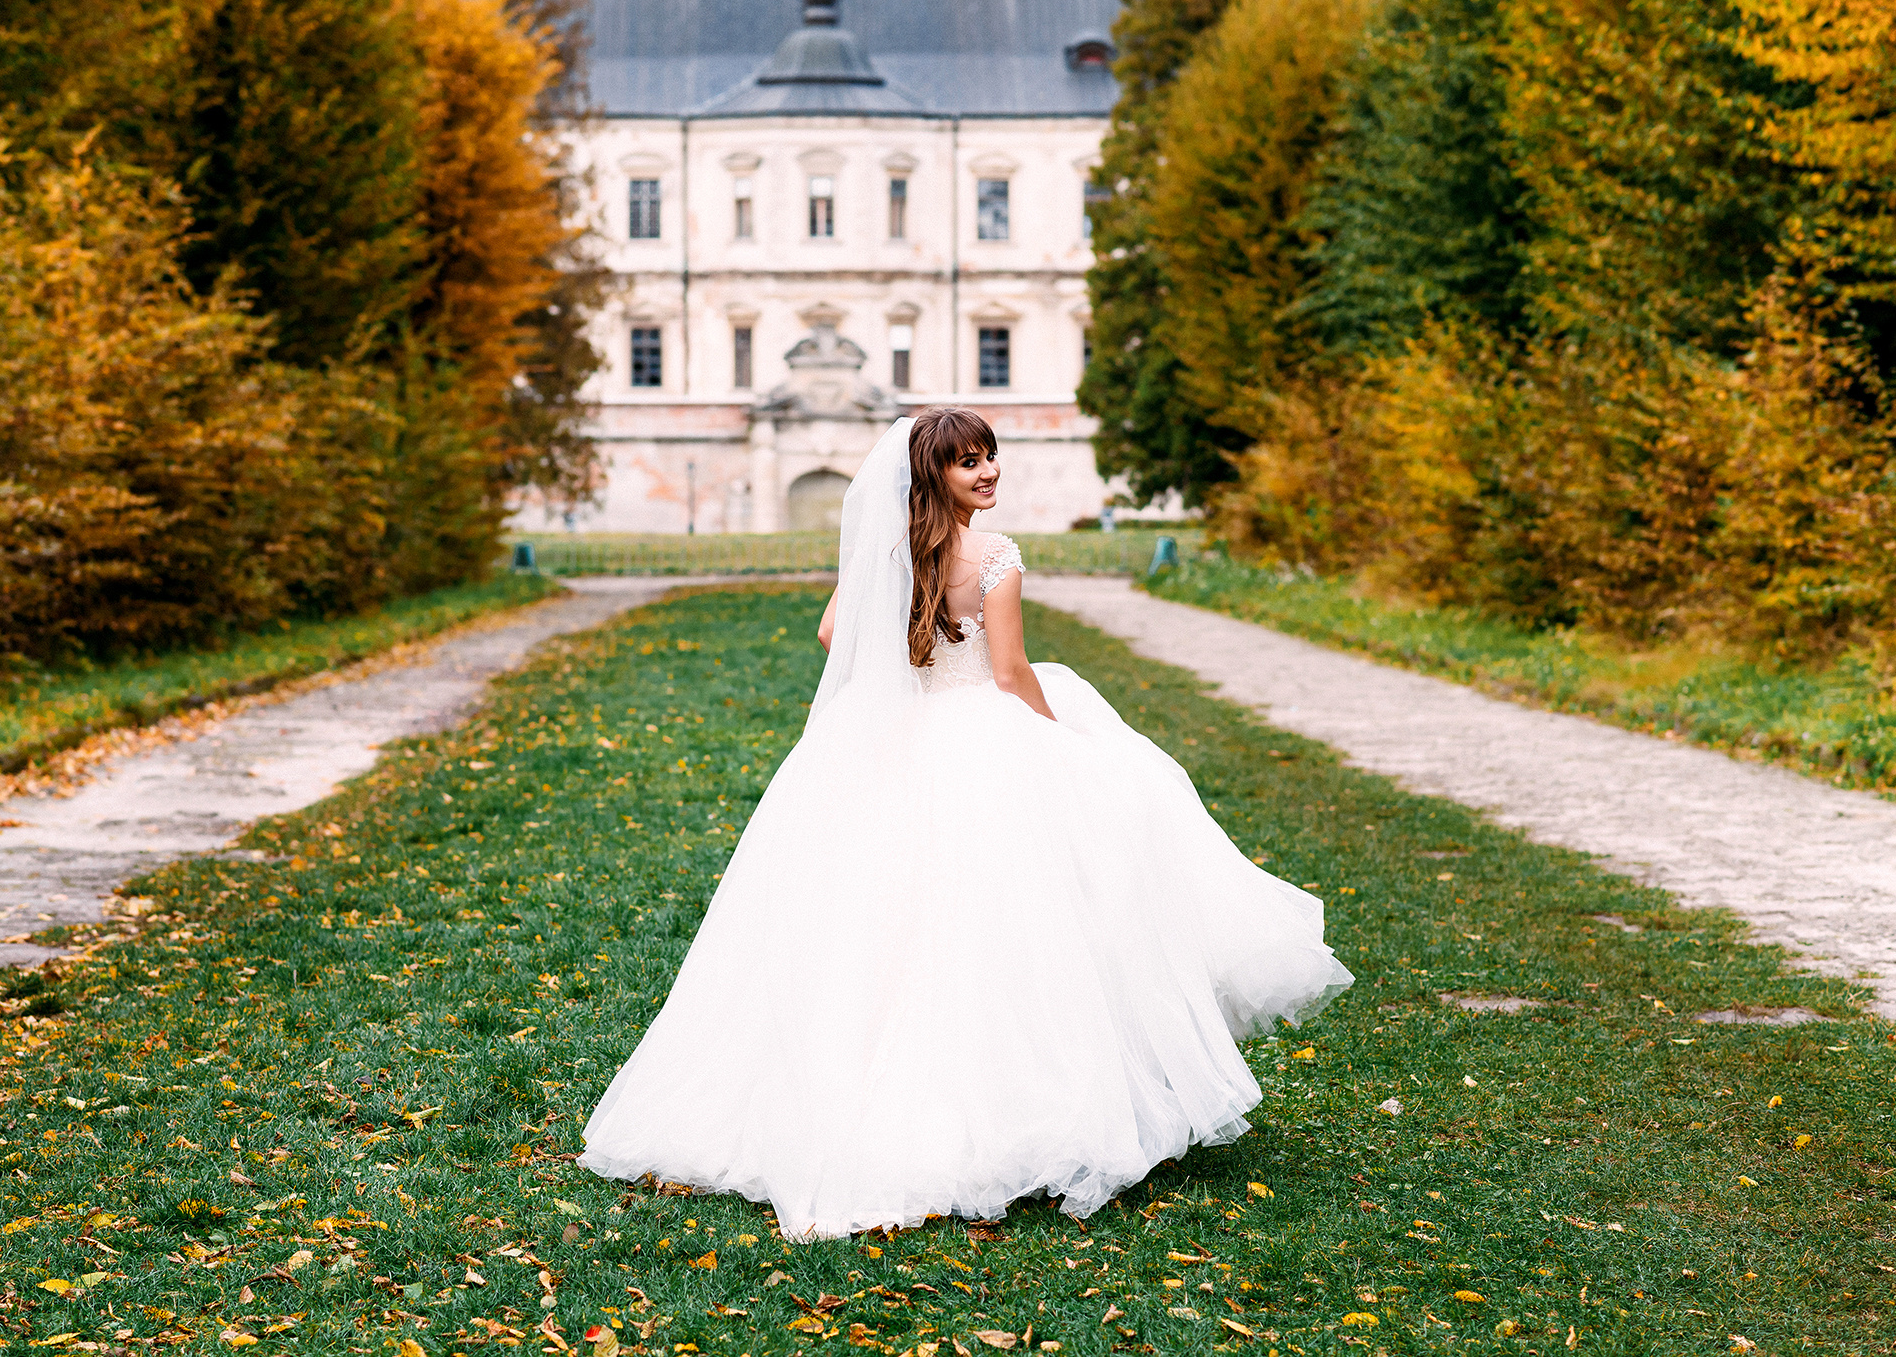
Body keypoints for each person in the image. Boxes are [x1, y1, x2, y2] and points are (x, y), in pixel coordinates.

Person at [578, 407, 1352, 1241]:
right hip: (983, 731)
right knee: (1015, 924)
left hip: (899, 734)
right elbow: (1012, 672)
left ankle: (863, 1100)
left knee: (889, 921)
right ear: (933, 475)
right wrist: (1061, 746)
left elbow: (833, 630)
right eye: (967, 464)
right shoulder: (996, 557)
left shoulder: (888, 549)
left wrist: (906, 659)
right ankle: (1033, 1103)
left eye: (990, 457)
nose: (987, 473)